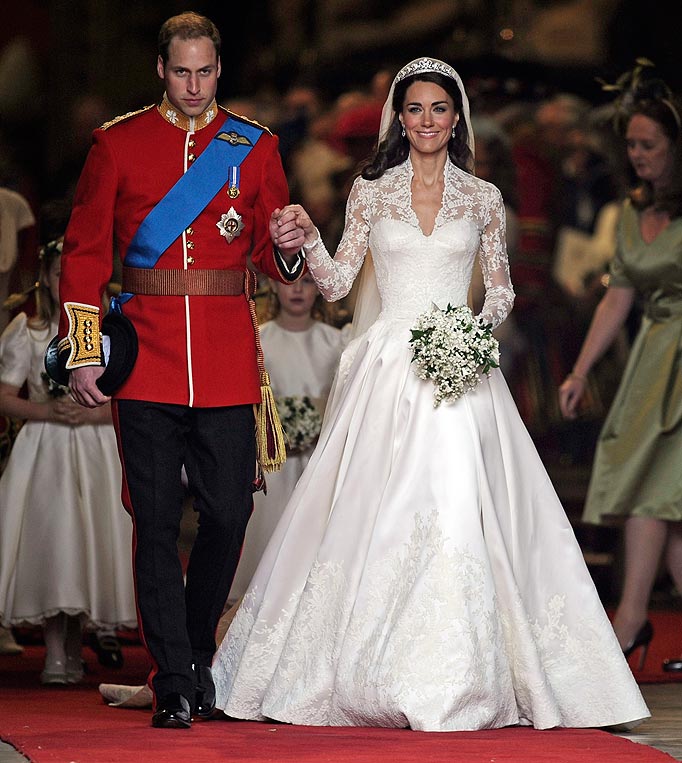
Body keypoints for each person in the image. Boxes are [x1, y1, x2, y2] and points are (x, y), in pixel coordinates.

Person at [210, 57, 648, 731]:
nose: (426, 121)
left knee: (459, 502)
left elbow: (500, 289)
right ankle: (364, 666)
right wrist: (300, 241)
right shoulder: (370, 192)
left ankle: (467, 668)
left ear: (457, 117)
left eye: (438, 109)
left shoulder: (482, 197)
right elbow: (335, 283)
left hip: (458, 368)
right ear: (399, 117)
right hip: (386, 369)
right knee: (373, 512)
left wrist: (469, 334)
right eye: (414, 109)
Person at [54, 12, 305, 728]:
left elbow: (267, 247)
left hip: (225, 358)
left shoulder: (254, 146)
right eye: (181, 72)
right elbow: (83, 252)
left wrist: (286, 246)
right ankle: (174, 677)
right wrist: (81, 348)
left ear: (218, 69)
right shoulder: (118, 144)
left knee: (230, 511)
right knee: (157, 519)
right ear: (162, 72)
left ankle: (197, 649)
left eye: (206, 71)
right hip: (145, 359)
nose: (194, 86)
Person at [559, 66, 682, 673]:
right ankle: (634, 621)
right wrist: (580, 370)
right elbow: (619, 295)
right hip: (652, 359)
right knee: (660, 497)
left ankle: (630, 620)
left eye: (649, 145)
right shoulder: (631, 212)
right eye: (631, 145)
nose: (636, 157)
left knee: (656, 494)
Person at [0, 237, 137, 684]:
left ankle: (78, 645)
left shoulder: (116, 331)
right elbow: (5, 396)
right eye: (59, 274)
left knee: (87, 542)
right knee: (55, 540)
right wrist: (46, 410)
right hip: (47, 449)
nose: (67, 282)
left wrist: (96, 412)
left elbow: (129, 395)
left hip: (97, 449)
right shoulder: (31, 330)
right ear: (46, 278)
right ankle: (55, 650)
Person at [228, 274, 348, 603]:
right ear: (273, 285)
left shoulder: (336, 342)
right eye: (289, 281)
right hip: (271, 461)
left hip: (317, 459)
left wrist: (316, 425)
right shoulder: (259, 340)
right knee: (266, 537)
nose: (297, 290)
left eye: (308, 282)